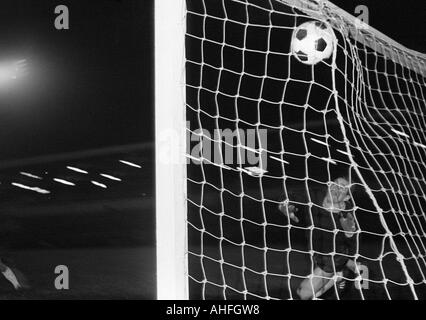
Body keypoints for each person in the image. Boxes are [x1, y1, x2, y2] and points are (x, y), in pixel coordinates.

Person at [278, 176, 359, 300]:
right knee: (312, 294)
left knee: (303, 294)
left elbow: (353, 245)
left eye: (342, 188)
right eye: (335, 184)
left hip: (332, 259)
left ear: (347, 197)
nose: (336, 189)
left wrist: (349, 233)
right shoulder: (315, 196)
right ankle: (341, 273)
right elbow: (291, 195)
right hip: (316, 251)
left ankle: (339, 274)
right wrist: (285, 205)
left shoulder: (347, 217)